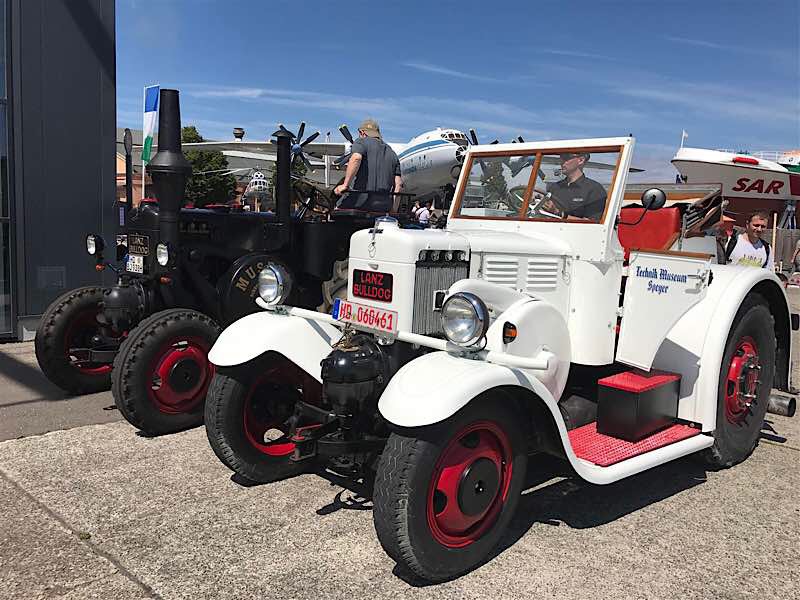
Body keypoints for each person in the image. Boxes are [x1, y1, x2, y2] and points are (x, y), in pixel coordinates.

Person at [334, 119, 402, 212]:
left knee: (335, 210)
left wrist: (345, 185)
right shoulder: (392, 153)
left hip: (359, 202)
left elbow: (356, 158)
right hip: (383, 206)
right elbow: (398, 185)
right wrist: (393, 210)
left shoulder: (361, 142)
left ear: (362, 133)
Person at [544, 152, 607, 220]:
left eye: (566, 158)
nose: (562, 162)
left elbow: (590, 223)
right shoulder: (554, 187)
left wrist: (559, 214)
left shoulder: (595, 189)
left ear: (581, 160)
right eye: (561, 158)